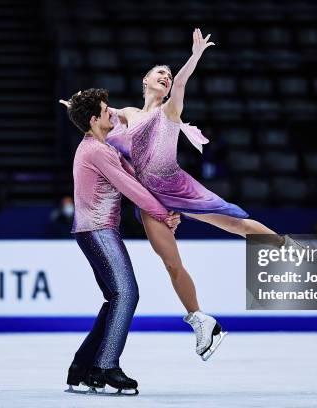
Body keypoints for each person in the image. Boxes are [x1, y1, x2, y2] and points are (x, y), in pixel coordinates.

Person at [67, 28, 295, 358]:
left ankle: (293, 252)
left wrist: (195, 56)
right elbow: (96, 111)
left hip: (177, 187)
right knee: (171, 263)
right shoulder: (128, 114)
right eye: (159, 73)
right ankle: (202, 322)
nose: (166, 76)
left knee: (236, 224)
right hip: (148, 198)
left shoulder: (169, 110)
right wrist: (74, 105)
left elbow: (183, 83)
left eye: (168, 75)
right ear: (145, 81)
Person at [63, 89, 180, 395]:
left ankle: (83, 366)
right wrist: (163, 213)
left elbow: (136, 176)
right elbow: (132, 188)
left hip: (96, 230)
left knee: (116, 297)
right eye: (105, 112)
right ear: (93, 120)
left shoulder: (103, 147)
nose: (112, 114)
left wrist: (167, 207)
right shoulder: (96, 151)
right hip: (97, 230)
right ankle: (105, 365)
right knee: (126, 294)